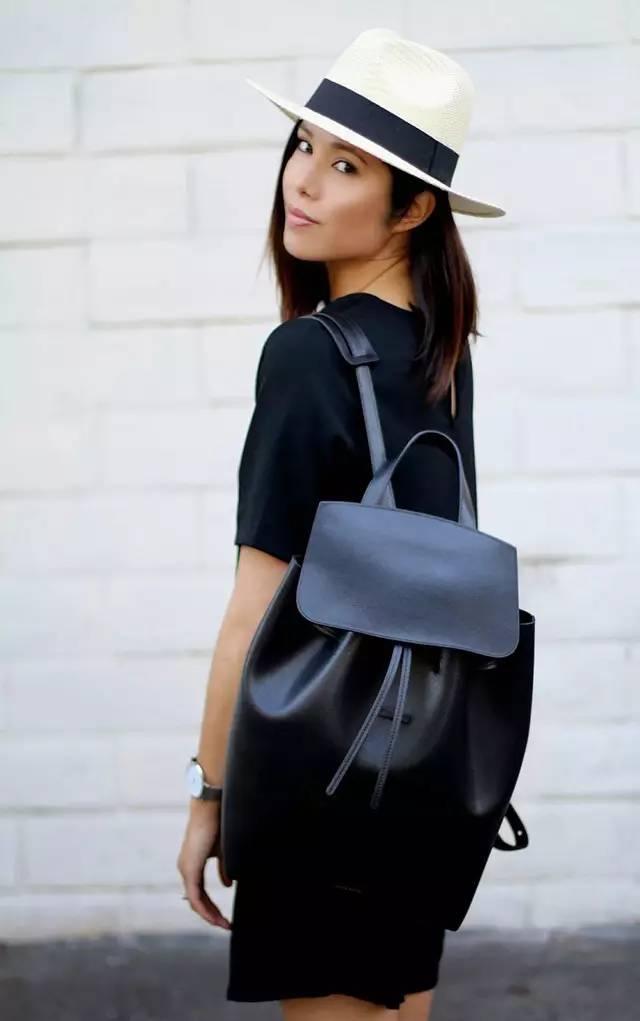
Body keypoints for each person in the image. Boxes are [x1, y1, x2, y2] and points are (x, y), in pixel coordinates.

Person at [177, 27, 505, 1021]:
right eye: (303, 147)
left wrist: (210, 793)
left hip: (318, 775)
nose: (303, 180)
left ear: (413, 207)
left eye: (346, 164)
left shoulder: (309, 355)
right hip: (425, 772)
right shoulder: (440, 351)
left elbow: (255, 606)